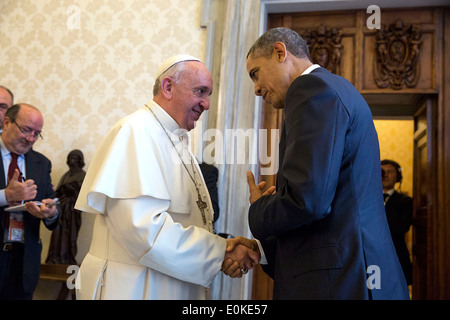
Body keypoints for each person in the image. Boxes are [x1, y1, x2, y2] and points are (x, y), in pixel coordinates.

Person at [75, 55, 260, 300]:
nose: (206, 104)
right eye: (200, 91)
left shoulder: (176, 139)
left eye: (208, 95)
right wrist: (219, 252)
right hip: (133, 287)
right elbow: (142, 230)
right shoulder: (136, 132)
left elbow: (185, 222)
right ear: (168, 87)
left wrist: (222, 245)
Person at [245, 27, 409, 299]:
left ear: (279, 52)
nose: (256, 88)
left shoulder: (310, 88)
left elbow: (308, 200)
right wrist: (263, 249)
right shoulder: (338, 88)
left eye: (256, 73)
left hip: (343, 281)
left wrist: (259, 209)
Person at [0, 103, 59, 299]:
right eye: (26, 130)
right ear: (7, 122)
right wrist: (6, 196)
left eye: (37, 133)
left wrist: (51, 213)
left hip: (24, 261)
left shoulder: (42, 164)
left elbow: (51, 208)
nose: (30, 138)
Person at [46, 149, 86, 265]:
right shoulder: (65, 175)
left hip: (73, 212)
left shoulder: (83, 175)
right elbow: (58, 193)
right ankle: (55, 258)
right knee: (57, 233)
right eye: (71, 158)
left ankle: (66, 257)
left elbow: (84, 196)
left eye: (75, 158)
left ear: (80, 161)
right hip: (61, 209)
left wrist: (73, 190)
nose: (72, 161)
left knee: (70, 235)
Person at [381, 159, 412, 285]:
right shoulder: (365, 198)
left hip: (396, 255)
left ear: (398, 176)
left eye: (390, 172)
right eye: (382, 172)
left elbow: (401, 228)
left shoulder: (405, 201)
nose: (386, 175)